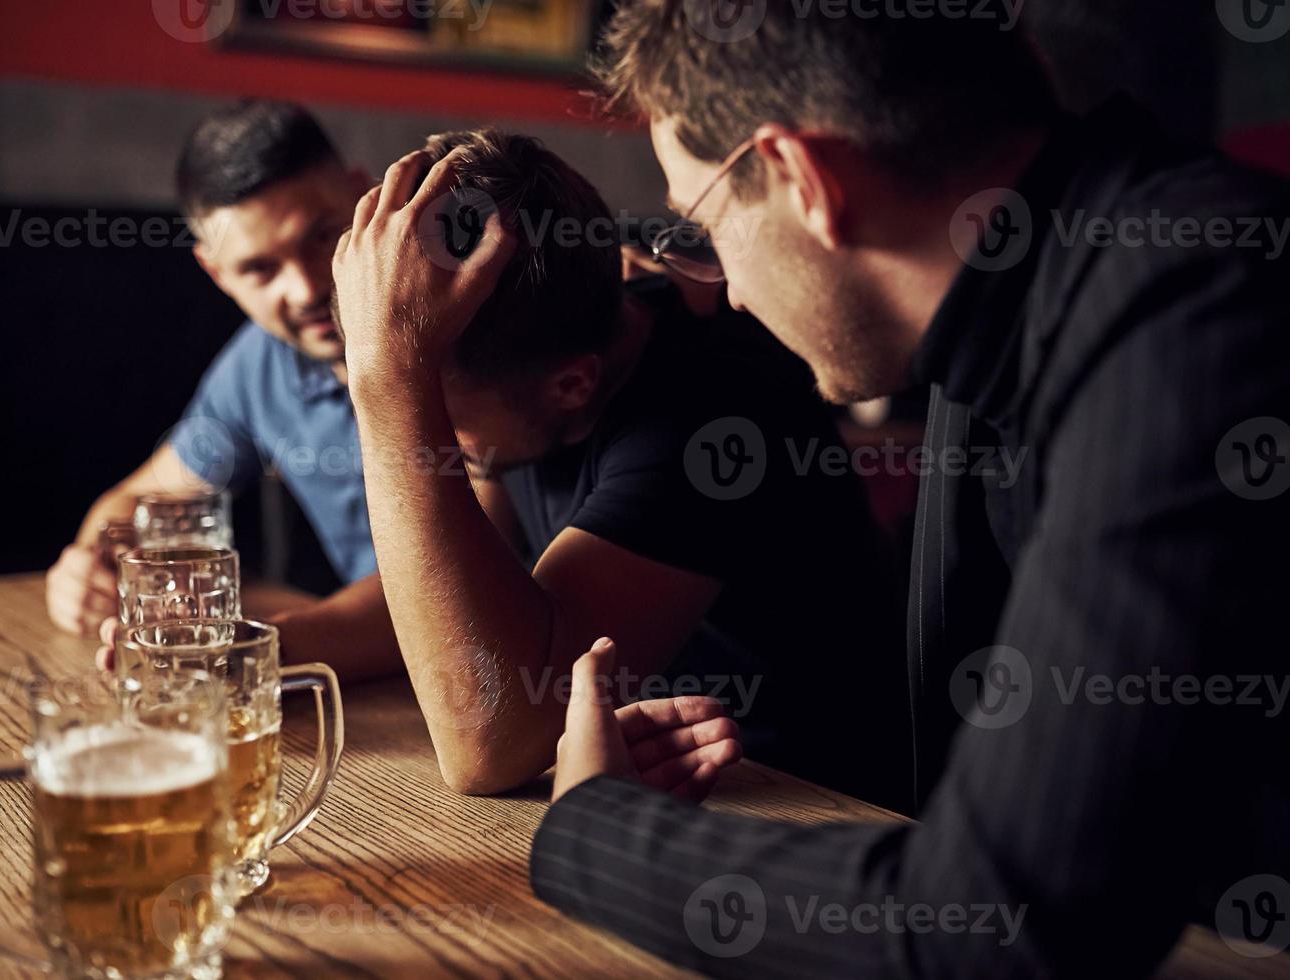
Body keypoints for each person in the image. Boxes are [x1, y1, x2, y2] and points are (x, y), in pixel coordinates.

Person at [520, 3, 1290, 976]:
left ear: (805, 178)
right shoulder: (1020, 306)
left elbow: (994, 925)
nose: (731, 293)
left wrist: (592, 825)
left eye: (705, 226)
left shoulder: (1199, 310)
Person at [329, 129, 910, 806]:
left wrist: (391, 381)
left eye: (441, 420)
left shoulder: (705, 420)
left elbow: (487, 742)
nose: (438, 445)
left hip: (809, 815)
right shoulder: (533, 369)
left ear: (572, 384)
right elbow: (433, 595)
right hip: (644, 790)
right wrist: (230, 650)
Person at [44, 101, 394, 667]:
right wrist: (89, 565)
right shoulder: (260, 366)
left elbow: (450, 587)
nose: (304, 288)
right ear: (216, 272)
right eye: (261, 269)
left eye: (321, 236)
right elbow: (140, 500)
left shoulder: (457, 337)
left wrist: (252, 653)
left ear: (364, 197)